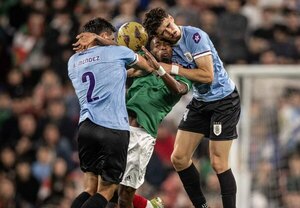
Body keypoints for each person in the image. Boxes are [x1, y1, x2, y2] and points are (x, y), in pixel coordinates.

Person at [72, 34, 192, 208]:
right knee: (103, 188)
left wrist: (159, 69)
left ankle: (148, 206)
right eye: (157, 44)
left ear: (174, 50)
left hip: (141, 135)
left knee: (124, 196)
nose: (161, 47)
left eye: (166, 44)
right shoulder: (143, 67)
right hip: (117, 129)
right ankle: (148, 206)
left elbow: (179, 89)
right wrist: (98, 40)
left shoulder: (180, 74)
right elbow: (118, 53)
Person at [143, 8, 241, 208]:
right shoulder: (165, 48)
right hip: (201, 101)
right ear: (158, 36)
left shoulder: (195, 36)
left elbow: (208, 76)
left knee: (218, 162)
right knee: (178, 158)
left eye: (169, 25)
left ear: (171, 18)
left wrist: (170, 69)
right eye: (164, 32)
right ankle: (201, 206)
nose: (170, 31)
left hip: (224, 101)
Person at [68, 17, 160, 208]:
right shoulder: (117, 53)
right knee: (108, 191)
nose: (114, 41)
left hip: (86, 127)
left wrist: (98, 40)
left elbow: (110, 74)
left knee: (89, 189)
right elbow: (149, 67)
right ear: (101, 37)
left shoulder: (73, 61)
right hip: (113, 130)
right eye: (111, 37)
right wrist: (106, 43)